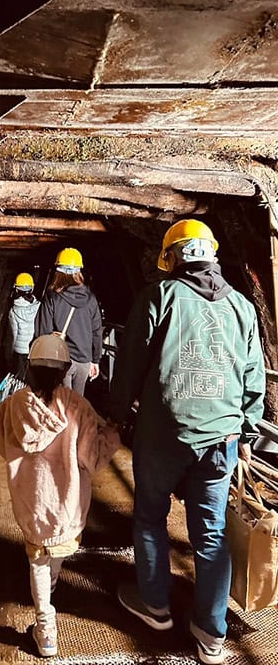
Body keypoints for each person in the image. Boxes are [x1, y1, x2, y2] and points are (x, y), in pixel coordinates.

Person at [107, 219, 264, 665]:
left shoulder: (160, 296)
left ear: (174, 256)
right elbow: (253, 376)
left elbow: (132, 361)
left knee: (150, 518)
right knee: (211, 535)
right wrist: (248, 430)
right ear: (211, 254)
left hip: (164, 436)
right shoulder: (242, 307)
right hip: (221, 439)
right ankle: (211, 634)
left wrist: (116, 413)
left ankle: (155, 606)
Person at [0, 334, 121, 658]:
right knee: (56, 551)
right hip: (66, 507)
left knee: (37, 559)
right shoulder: (79, 409)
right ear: (65, 370)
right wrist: (112, 435)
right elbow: (93, 459)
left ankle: (45, 629)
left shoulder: (13, 406)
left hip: (31, 504)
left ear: (30, 367)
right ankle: (50, 588)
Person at [34, 247, 103, 396]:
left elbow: (42, 331)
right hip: (84, 361)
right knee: (76, 403)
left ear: (58, 270)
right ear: (79, 271)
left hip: (61, 359)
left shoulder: (52, 297)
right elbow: (97, 331)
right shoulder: (91, 298)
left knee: (59, 401)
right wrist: (95, 360)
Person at [7, 272, 41, 374]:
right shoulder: (39, 307)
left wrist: (9, 354)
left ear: (16, 289)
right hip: (35, 350)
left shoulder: (13, 311)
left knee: (18, 379)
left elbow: (13, 335)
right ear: (32, 288)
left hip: (20, 352)